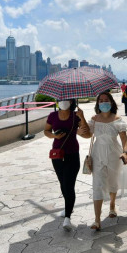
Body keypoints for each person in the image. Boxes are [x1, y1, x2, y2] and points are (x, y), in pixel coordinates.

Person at [86, 91, 127, 231]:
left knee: (112, 181)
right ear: (98, 103)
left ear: (111, 102)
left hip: (114, 154)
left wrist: (125, 152)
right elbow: (87, 135)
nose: (103, 102)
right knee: (97, 184)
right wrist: (80, 117)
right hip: (97, 154)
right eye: (101, 100)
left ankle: (112, 205)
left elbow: (124, 139)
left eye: (106, 100)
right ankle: (97, 220)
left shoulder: (117, 119)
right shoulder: (93, 119)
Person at [44, 99, 89, 231]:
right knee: (63, 183)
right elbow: (46, 131)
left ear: (71, 102)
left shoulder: (76, 115)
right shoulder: (52, 116)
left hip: (72, 154)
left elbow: (86, 132)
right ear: (58, 102)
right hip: (57, 155)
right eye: (61, 100)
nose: (64, 102)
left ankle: (67, 217)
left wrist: (82, 117)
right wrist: (54, 136)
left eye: (66, 100)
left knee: (69, 185)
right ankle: (67, 206)